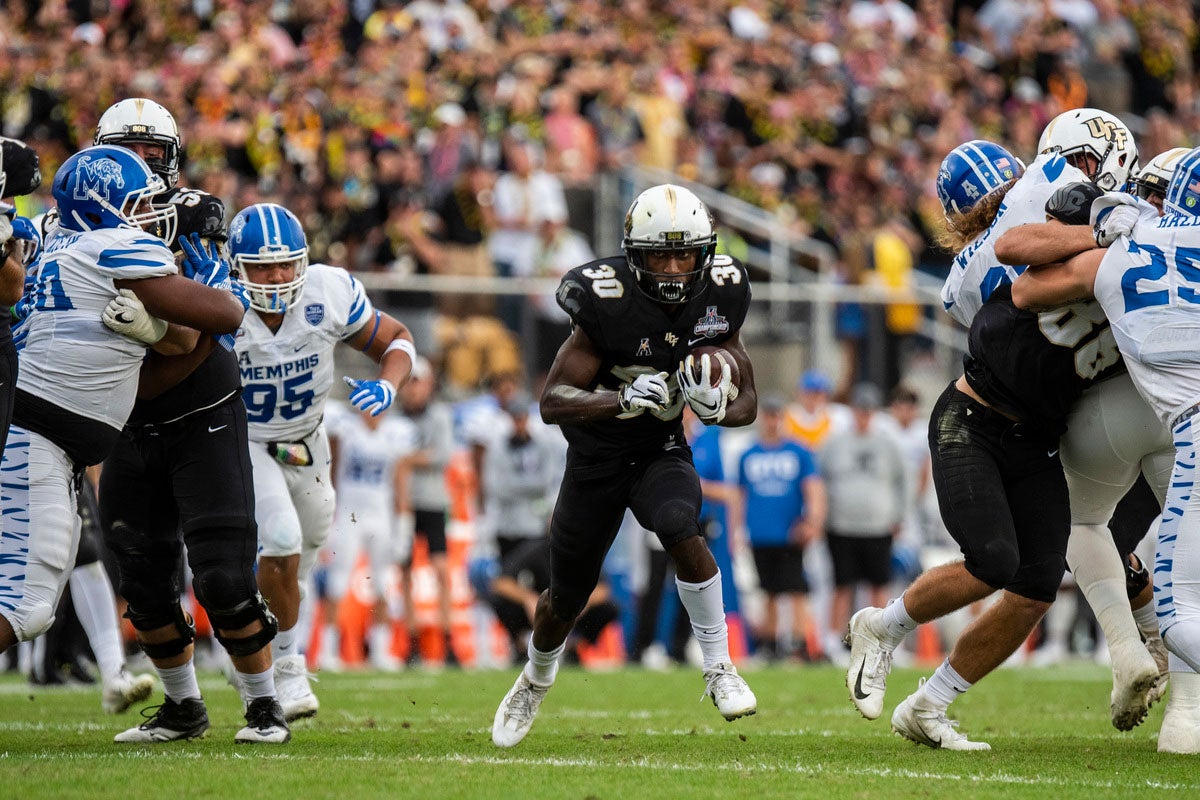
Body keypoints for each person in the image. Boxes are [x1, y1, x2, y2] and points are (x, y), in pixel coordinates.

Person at [843, 131, 1126, 751]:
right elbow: (1019, 261)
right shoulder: (1038, 215)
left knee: (1036, 585)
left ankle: (931, 704)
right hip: (973, 421)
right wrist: (1105, 229)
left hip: (1038, 435)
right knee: (993, 560)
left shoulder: (974, 268)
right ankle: (883, 627)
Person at [0, 146, 265, 741]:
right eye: (138, 201)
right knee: (26, 606)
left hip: (40, 437)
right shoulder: (111, 247)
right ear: (102, 204)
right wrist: (220, 283)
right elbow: (224, 312)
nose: (151, 213)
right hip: (32, 439)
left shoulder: (56, 243)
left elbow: (145, 385)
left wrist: (194, 339)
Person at [491, 183, 758, 748]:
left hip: (657, 450)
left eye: (684, 252)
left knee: (681, 524)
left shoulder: (721, 293)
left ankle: (718, 667)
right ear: (635, 256)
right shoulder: (604, 300)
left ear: (704, 252)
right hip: (593, 460)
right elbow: (551, 400)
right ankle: (535, 680)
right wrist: (622, 399)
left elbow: (748, 401)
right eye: (659, 253)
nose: (672, 266)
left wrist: (718, 406)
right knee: (564, 598)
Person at [83, 100, 286, 742]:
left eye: (151, 152)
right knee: (140, 574)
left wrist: (149, 355)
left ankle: (263, 705)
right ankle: (182, 706)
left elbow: (213, 323)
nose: (141, 164)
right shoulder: (75, 222)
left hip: (200, 408)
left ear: (171, 159)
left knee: (224, 574)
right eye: (126, 150)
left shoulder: (193, 215)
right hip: (123, 417)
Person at [1009, 146, 1200, 754]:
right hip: (1176, 427)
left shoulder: (1120, 257)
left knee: (1171, 604)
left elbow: (1019, 275)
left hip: (1147, 421)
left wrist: (1102, 225)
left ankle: (1144, 667)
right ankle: (1188, 717)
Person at [229, 202, 415, 719]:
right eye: (263, 266)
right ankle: (285, 673)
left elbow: (397, 339)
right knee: (282, 541)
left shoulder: (327, 291)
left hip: (307, 441)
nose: (278, 276)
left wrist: (388, 383)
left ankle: (253, 650)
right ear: (236, 265)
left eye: (287, 263)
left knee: (303, 560)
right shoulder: (218, 299)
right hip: (246, 439)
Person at [324, 401, 416, 671]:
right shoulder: (346, 430)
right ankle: (329, 650)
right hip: (348, 515)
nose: (374, 413)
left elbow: (400, 479)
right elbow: (331, 467)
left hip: (380, 516)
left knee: (382, 582)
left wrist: (404, 524)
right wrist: (329, 512)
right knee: (337, 581)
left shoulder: (395, 434)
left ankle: (380, 650)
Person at [736, 393, 825, 661]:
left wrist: (811, 521)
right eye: (768, 415)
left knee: (796, 589)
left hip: (789, 533)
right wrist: (737, 530)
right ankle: (770, 643)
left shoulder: (798, 451)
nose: (772, 421)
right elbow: (739, 496)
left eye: (776, 416)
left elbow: (813, 490)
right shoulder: (748, 454)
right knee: (769, 591)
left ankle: (799, 644)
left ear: (781, 419)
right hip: (761, 532)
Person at [820, 383, 908, 646]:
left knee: (879, 585)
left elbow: (902, 481)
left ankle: (879, 639)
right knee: (841, 584)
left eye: (869, 411)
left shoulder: (887, 444)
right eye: (860, 410)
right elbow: (817, 481)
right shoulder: (833, 443)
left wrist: (899, 515)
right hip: (841, 524)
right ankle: (835, 641)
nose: (864, 416)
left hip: (878, 525)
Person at [394, 356, 457, 666]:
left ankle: (447, 641)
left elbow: (442, 455)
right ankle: (412, 641)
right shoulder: (396, 418)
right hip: (403, 503)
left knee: (441, 570)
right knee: (404, 572)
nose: (412, 389)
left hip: (431, 501)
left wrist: (406, 460)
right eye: (408, 383)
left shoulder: (439, 416)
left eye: (416, 382)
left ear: (429, 385)